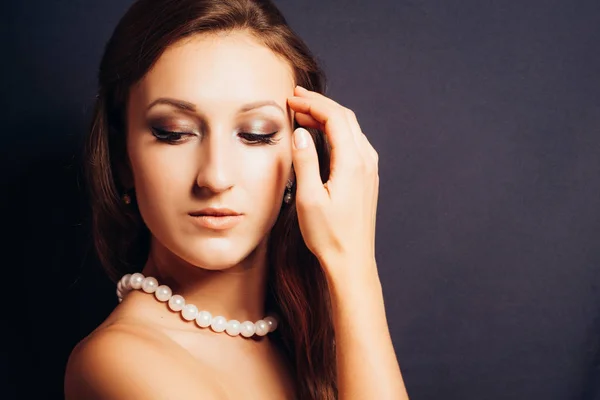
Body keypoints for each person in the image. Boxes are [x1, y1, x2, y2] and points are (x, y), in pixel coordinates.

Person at [64, 0, 409, 398]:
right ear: (123, 157)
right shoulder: (118, 362)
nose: (215, 177)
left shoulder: (309, 339)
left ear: (301, 155)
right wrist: (354, 267)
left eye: (256, 134)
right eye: (173, 132)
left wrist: (349, 265)